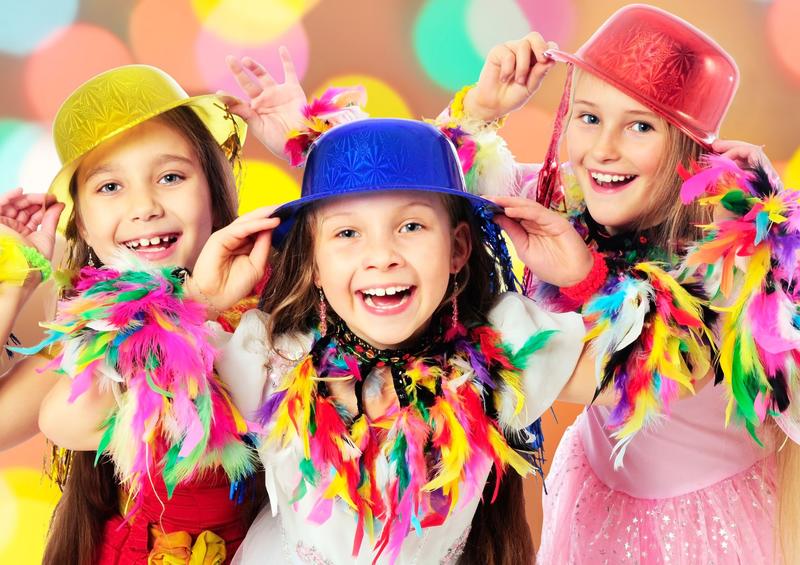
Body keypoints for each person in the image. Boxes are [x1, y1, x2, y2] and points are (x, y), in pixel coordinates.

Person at [434, 4, 797, 563]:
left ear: (687, 148)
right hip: (602, 494)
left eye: (640, 126)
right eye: (587, 117)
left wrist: (583, 275)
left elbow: (655, 363)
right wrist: (481, 112)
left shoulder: (731, 254)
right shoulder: (575, 200)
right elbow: (439, 200)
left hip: (703, 524)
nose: (603, 150)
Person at [204, 117, 590, 564]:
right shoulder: (271, 359)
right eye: (347, 233)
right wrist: (200, 301)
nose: (382, 257)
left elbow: (645, 368)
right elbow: (139, 398)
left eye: (411, 226)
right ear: (312, 261)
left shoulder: (499, 352)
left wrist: (582, 278)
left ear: (458, 248)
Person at [0, 56, 306, 564]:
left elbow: (384, 252)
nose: (144, 207)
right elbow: (64, 418)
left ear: (213, 186)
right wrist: (17, 279)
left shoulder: (281, 294)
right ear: (82, 224)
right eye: (110, 187)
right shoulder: (96, 335)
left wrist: (308, 146)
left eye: (170, 177)